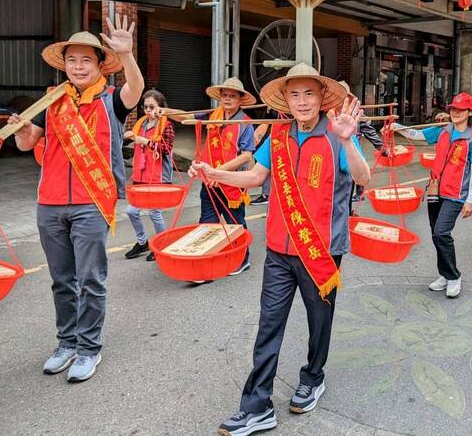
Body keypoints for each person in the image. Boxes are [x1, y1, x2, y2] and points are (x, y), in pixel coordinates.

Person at [189, 64, 369, 436]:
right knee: (269, 324)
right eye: (294, 94)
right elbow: (255, 177)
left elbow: (363, 177)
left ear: (322, 98)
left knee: (320, 323)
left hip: (321, 251)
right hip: (279, 250)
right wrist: (216, 173)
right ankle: (257, 406)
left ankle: (313, 376)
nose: (302, 102)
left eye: (309, 94)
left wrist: (349, 140)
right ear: (285, 100)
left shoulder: (337, 135)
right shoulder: (278, 136)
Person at [7, 19, 143, 382]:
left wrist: (127, 54)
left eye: (86, 60)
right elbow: (29, 144)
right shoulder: (53, 102)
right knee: (61, 280)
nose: (78, 66)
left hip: (90, 204)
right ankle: (65, 343)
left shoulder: (111, 101)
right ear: (63, 64)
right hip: (49, 204)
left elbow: (136, 89)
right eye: (72, 60)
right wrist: (23, 131)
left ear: (100, 65)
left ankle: (88, 348)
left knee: (90, 279)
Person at [387, 93, 472, 298]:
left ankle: (454, 276)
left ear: (469, 112)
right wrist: (395, 127)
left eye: (460, 110)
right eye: (453, 109)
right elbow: (416, 135)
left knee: (442, 233)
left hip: (456, 194)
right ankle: (444, 274)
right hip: (435, 188)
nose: (455, 113)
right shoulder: (443, 131)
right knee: (435, 234)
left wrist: (471, 201)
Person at [167, 78, 258, 276]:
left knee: (235, 223)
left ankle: (243, 259)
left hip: (232, 182)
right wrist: (164, 111)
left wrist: (220, 172)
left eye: (232, 96)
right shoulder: (212, 116)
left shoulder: (245, 124)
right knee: (208, 221)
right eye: (224, 95)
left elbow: (246, 155)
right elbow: (186, 117)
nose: (227, 99)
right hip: (209, 181)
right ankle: (209, 259)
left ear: (240, 100)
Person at [124, 89, 175, 262]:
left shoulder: (166, 124)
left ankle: (161, 244)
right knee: (131, 211)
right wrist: (128, 137)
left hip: (157, 175)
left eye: (152, 107)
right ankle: (142, 241)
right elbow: (132, 140)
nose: (148, 111)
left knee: (155, 212)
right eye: (145, 107)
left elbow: (167, 149)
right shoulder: (142, 123)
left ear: (161, 107)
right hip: (141, 173)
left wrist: (144, 141)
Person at [339, 81, 382, 207]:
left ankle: (348, 214)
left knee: (348, 189)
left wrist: (382, 148)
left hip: (351, 153)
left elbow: (370, 132)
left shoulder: (356, 114)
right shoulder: (325, 115)